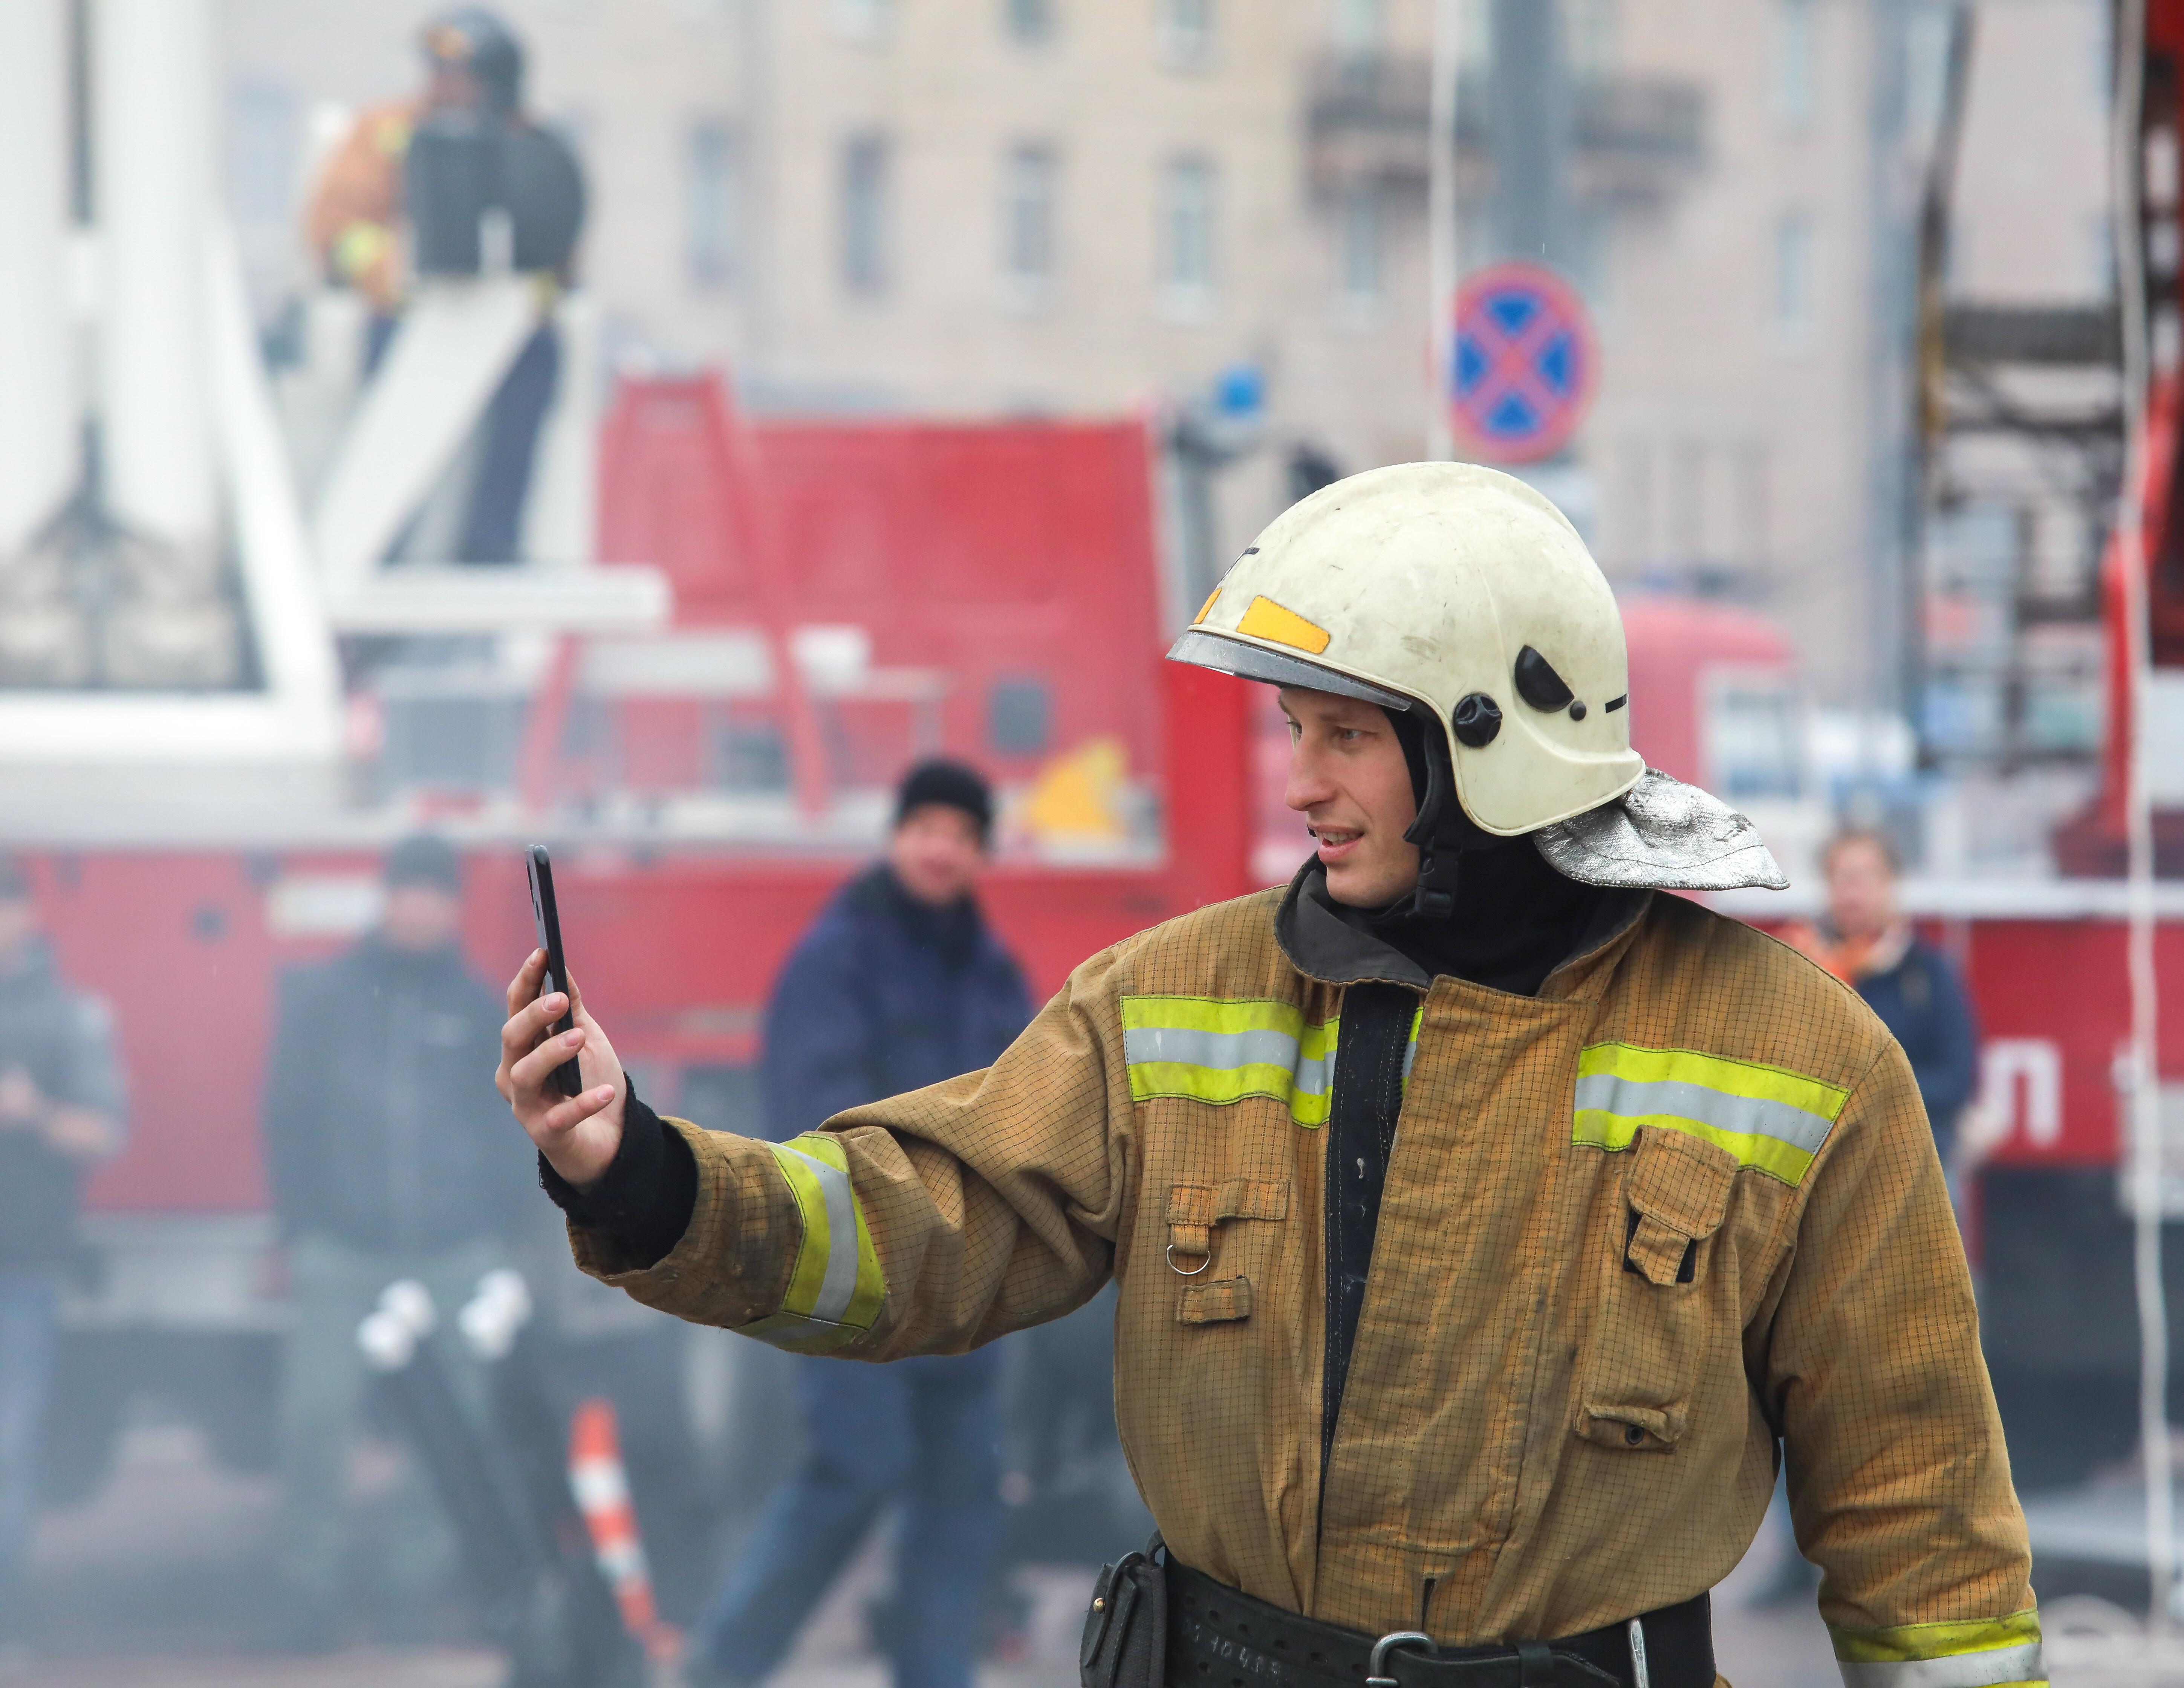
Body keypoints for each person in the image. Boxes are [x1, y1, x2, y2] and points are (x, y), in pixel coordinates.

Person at [500, 463, 2046, 1688]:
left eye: (1346, 738)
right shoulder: (1178, 999)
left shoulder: (1799, 1060)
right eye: (1293, 730)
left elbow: (1924, 1525)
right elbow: (927, 1221)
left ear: (1485, 743)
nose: (1299, 782)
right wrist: (638, 1171)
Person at [684, 761, 1038, 1688]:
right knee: (858, 1473)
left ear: (979, 855)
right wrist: (915, 1201)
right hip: (855, 1272)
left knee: (962, 1498)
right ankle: (719, 1669)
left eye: (960, 835)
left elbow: (1028, 1106)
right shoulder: (836, 956)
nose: (939, 848)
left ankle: (934, 1677)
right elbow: (814, 1114)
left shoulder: (989, 969)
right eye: (924, 827)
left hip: (964, 1281)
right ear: (894, 836)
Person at [263, 834, 523, 1650]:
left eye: (434, 892)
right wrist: (299, 1224)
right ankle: (308, 1597)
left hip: (453, 1250)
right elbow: (287, 1113)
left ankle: (414, 1588)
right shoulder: (328, 997)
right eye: (407, 890)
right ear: (386, 897)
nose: (419, 906)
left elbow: (513, 1122)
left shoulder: (483, 1006)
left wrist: (497, 1229)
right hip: (342, 1248)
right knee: (314, 1419)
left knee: (453, 1428)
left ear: (452, 906)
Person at [303, 7, 586, 564]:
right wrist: (388, 271)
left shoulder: (532, 144)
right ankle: (381, 549)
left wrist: (531, 295)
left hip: (508, 329)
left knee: (538, 365)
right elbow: (334, 225)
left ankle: (491, 550)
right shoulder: (387, 131)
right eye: (438, 72)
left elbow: (560, 246)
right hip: (404, 316)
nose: (445, 86)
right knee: (393, 424)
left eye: (460, 75)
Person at [0, 859, 125, 1650]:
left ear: (26, 918)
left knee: (7, 1449)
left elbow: (104, 1132)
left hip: (23, 1268)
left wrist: (31, 1110)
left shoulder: (69, 1017)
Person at [1792, 830, 1981, 1176]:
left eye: (1865, 876)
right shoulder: (1800, 968)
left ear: (1891, 884)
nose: (1853, 890)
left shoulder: (1927, 973)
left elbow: (1958, 1080)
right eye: (1841, 877)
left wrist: (1872, 1092)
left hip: (1913, 1161)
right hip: (1818, 1165)